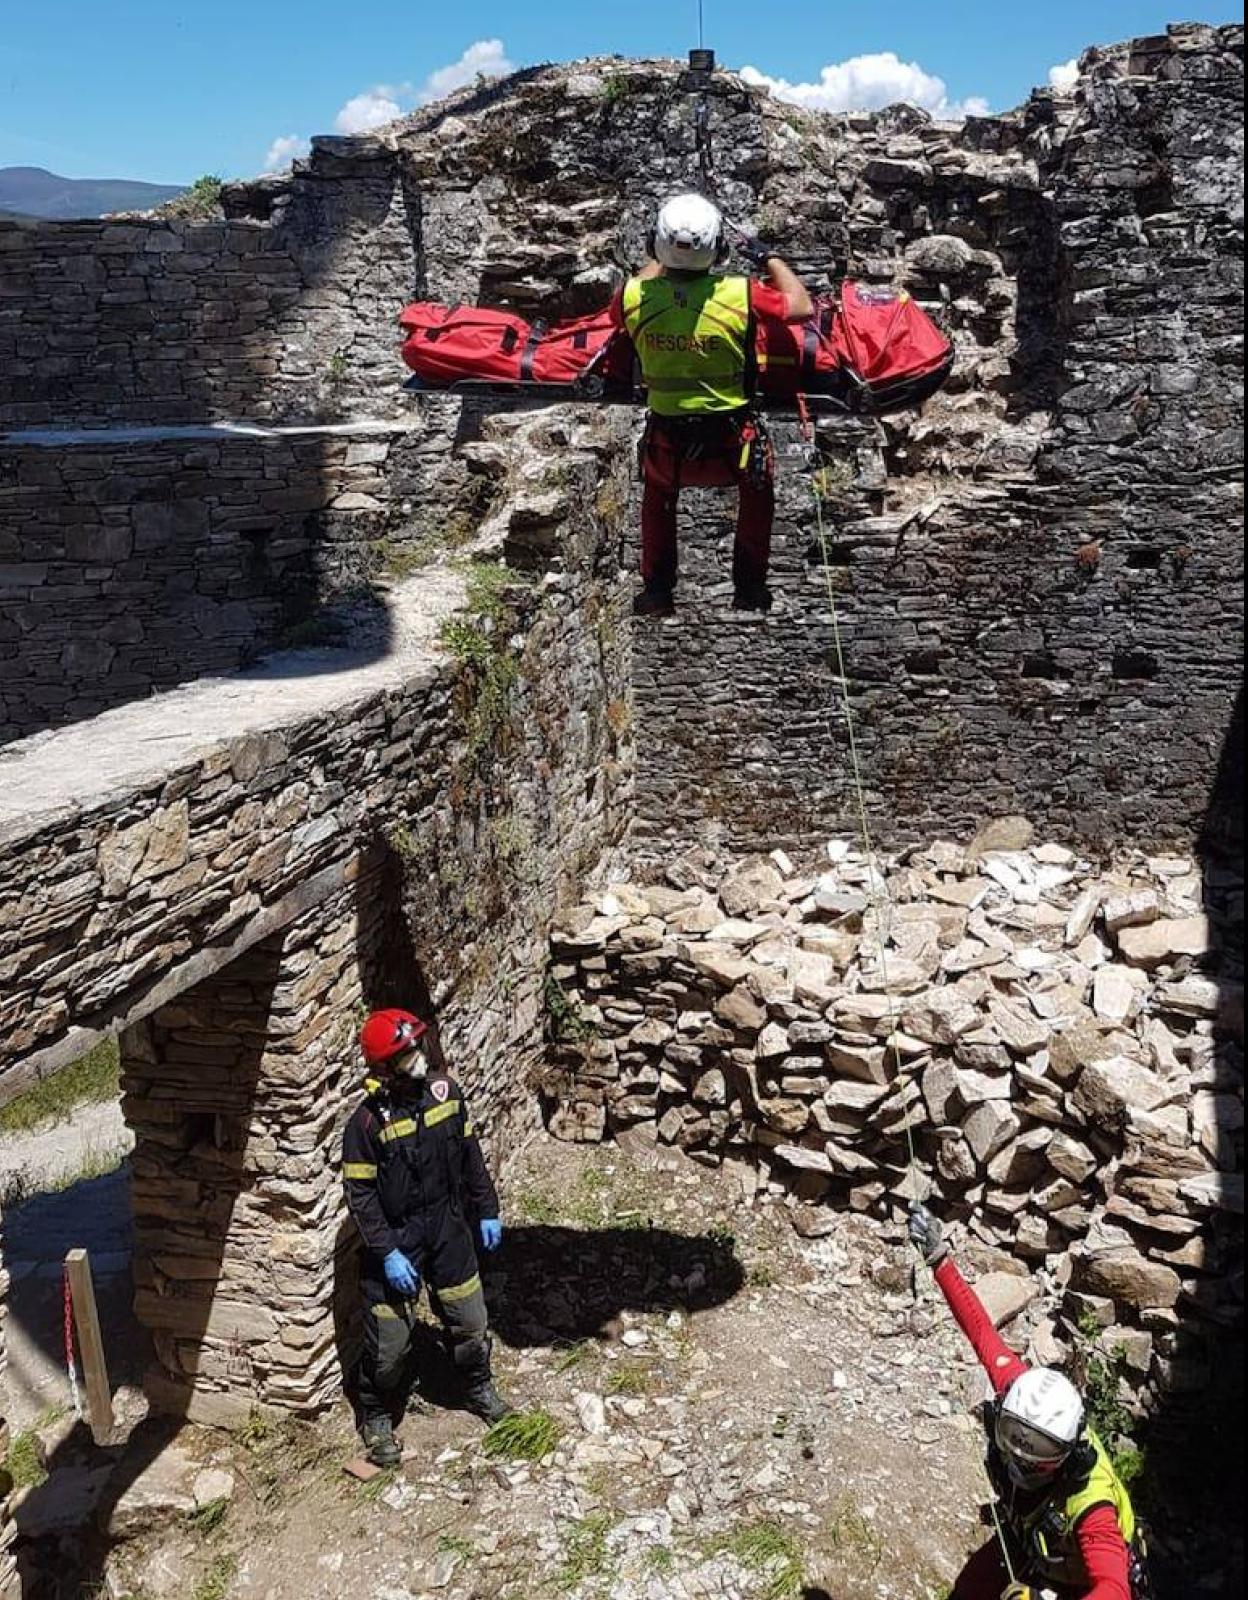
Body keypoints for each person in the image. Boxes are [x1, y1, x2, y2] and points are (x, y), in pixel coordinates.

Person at [908, 1206, 1151, 1600]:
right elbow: (980, 1331)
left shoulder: (1091, 1505)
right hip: (1031, 1540)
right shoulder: (1021, 1397)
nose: (1020, 1459)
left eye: (1037, 1451)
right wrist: (940, 1261)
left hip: (1077, 1581)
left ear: (1067, 1451)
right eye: (1014, 1437)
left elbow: (1113, 1589)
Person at [615, 192, 813, 617]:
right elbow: (801, 306)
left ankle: (657, 592)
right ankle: (750, 589)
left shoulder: (632, 297)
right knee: (758, 495)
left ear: (655, 246)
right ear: (719, 248)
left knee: (657, 497)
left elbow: (645, 280)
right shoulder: (740, 293)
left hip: (669, 441)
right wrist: (769, 258)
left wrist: (662, 255)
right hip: (731, 439)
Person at [342, 1008, 513, 1466]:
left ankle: (477, 1388)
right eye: (406, 1054)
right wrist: (388, 1252)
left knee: (471, 1321)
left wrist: (488, 1210)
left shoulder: (445, 1095)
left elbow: (470, 1157)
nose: (418, 1058)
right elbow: (361, 1199)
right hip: (396, 1241)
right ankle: (376, 1413)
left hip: (447, 1227)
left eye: (417, 1047)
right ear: (384, 1067)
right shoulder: (365, 1125)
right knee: (388, 1348)